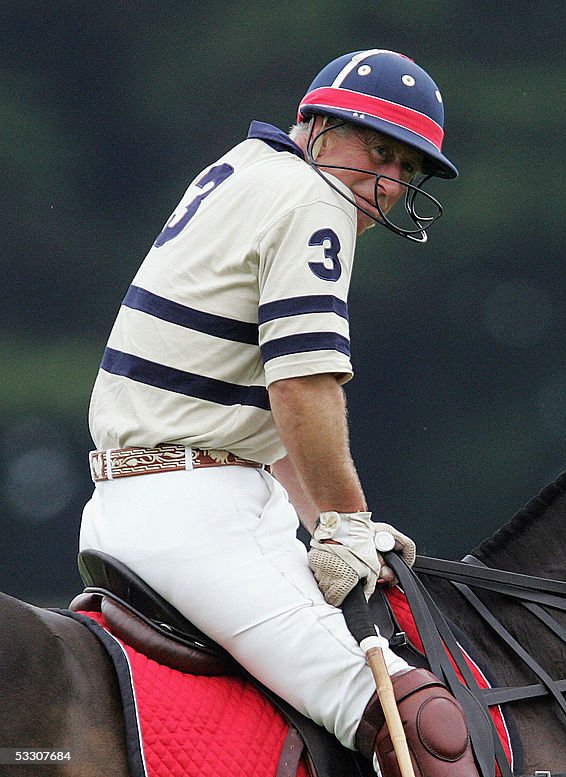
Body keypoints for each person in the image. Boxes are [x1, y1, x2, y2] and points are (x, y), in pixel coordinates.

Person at [81, 49, 480, 777]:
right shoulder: (314, 197)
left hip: (139, 501)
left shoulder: (242, 166)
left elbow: (268, 413)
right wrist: (346, 520)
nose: (388, 183)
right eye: (377, 149)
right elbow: (302, 387)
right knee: (424, 722)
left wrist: (331, 519)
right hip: (200, 515)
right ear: (316, 126)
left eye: (407, 167)